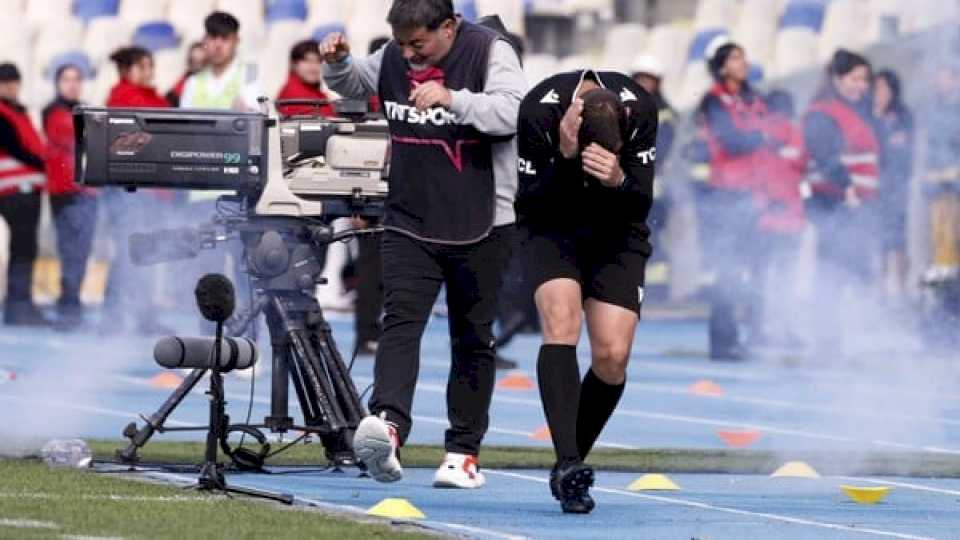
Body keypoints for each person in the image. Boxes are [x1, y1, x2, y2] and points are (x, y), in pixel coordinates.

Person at [321, 0, 526, 489]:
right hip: (411, 216)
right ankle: (388, 428)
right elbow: (354, 86)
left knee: (472, 337)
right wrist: (339, 63)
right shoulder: (396, 53)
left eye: (420, 44)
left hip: (484, 220)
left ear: (450, 27)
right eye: (403, 43)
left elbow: (513, 111)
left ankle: (462, 454)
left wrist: (453, 98)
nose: (411, 55)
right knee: (400, 322)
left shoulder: (490, 51)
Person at [516, 69, 657, 513]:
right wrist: (564, 154)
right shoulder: (538, 110)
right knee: (562, 319)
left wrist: (617, 179)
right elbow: (532, 201)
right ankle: (569, 464)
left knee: (612, 356)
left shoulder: (640, 109)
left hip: (617, 230)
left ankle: (569, 459)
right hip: (552, 227)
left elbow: (642, 202)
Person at [698, 40, 775, 360]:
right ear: (721, 66)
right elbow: (731, 140)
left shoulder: (753, 98)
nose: (742, 64)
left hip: (754, 193)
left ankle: (751, 334)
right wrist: (760, 137)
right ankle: (723, 339)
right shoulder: (714, 101)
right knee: (727, 270)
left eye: (743, 57)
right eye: (734, 59)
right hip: (727, 194)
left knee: (751, 269)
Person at [803, 49, 879, 353]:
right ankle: (827, 339)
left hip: (854, 204)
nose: (862, 85)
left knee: (850, 270)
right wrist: (847, 189)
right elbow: (824, 155)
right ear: (837, 79)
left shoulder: (855, 112)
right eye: (855, 78)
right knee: (834, 271)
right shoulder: (823, 112)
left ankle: (840, 336)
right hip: (835, 203)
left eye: (865, 79)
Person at [103, 47, 173, 335]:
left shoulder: (154, 98)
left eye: (151, 65)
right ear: (126, 70)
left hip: (152, 190)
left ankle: (142, 315)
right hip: (130, 190)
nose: (149, 72)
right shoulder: (122, 98)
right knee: (126, 254)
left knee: (145, 253)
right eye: (142, 66)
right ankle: (113, 317)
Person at [751, 89, 807, 346]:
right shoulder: (795, 133)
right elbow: (801, 166)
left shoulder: (758, 133)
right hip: (791, 219)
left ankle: (758, 329)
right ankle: (786, 330)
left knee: (762, 277)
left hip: (764, 218)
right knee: (785, 278)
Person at [44, 64, 96, 330]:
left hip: (86, 192)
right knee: (70, 252)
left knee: (82, 251)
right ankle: (67, 307)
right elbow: (71, 136)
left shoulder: (84, 110)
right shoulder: (53, 112)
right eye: (67, 79)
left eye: (77, 79)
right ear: (58, 83)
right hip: (64, 192)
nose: (72, 84)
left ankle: (71, 304)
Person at [0, 63, 47, 326]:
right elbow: (16, 148)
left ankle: (20, 304)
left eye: (13, 81)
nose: (10, 86)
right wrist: (43, 162)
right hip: (15, 189)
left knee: (25, 248)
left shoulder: (18, 111)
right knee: (22, 248)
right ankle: (18, 307)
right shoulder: (3, 113)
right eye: (4, 81)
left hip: (28, 187)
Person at [872, 70, 914, 298]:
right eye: (875, 88)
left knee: (897, 238)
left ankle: (901, 289)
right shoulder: (869, 115)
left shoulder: (903, 115)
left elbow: (900, 150)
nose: (878, 94)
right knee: (878, 240)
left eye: (882, 88)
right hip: (874, 187)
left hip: (896, 186)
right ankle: (879, 290)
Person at [180, 12, 261, 112]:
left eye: (225, 38)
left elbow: (254, 118)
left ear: (236, 41)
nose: (218, 45)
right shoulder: (192, 82)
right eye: (213, 37)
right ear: (204, 40)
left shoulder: (250, 74)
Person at [276, 40, 336, 118]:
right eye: (308, 61)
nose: (314, 67)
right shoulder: (293, 92)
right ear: (294, 64)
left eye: (318, 61)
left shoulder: (317, 93)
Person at [166, 42, 208, 107]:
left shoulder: (212, 81)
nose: (197, 66)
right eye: (193, 61)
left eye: (202, 62)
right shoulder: (183, 82)